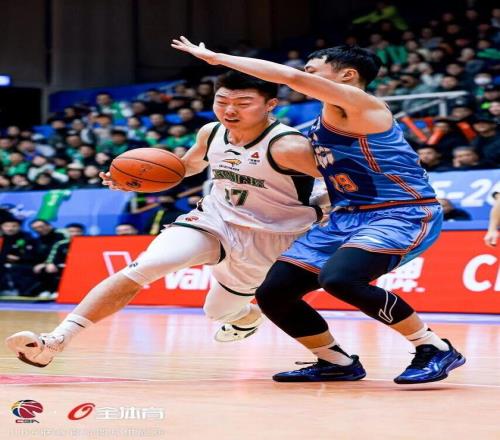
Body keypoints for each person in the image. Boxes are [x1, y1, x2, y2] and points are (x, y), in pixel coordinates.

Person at [170, 37, 465, 384]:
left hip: (400, 211)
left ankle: (432, 347)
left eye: (313, 71)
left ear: (347, 75)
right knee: (273, 293)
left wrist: (218, 57)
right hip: (346, 214)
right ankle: (335, 361)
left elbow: (290, 78)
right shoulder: (325, 118)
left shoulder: (362, 104)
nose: (304, 75)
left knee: (340, 279)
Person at [5, 71, 322, 367]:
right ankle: (55, 341)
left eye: (242, 103)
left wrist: (326, 214)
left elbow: (338, 183)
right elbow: (187, 166)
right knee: (144, 267)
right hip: (214, 220)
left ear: (270, 105)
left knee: (217, 311)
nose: (229, 110)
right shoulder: (211, 132)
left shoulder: (289, 145)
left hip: (270, 235)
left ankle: (247, 317)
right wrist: (133, 180)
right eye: (222, 101)